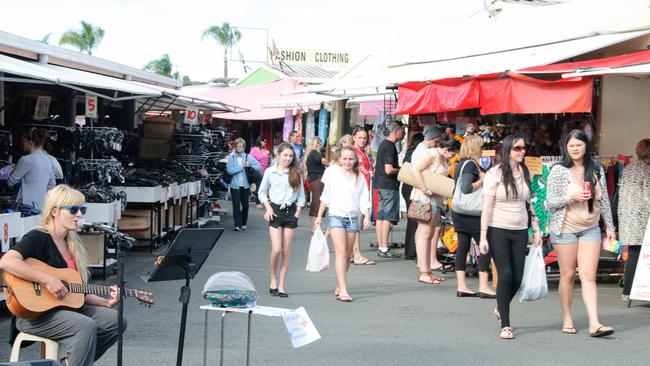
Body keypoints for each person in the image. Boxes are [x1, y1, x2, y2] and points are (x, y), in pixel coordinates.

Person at [0, 185, 123, 366]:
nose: (80, 214)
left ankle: (70, 362)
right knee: (86, 326)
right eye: (73, 209)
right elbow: (7, 262)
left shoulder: (73, 244)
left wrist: (105, 302)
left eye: (82, 209)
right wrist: (47, 279)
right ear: (55, 211)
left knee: (117, 321)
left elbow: (76, 291)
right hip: (36, 314)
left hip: (67, 309)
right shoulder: (38, 237)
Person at [546, 129, 615, 337]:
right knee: (567, 275)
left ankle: (595, 323)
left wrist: (610, 227)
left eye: (579, 145)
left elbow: (603, 202)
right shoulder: (558, 170)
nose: (575, 149)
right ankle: (567, 318)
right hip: (564, 229)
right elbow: (549, 203)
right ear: (566, 148)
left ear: (586, 147)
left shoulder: (596, 169)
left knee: (589, 275)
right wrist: (571, 197)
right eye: (571, 145)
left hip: (590, 228)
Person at [479, 134, 542, 340]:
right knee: (505, 275)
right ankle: (505, 324)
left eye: (524, 147)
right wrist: (483, 237)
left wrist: (536, 227)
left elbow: (530, 202)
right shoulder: (494, 174)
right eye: (517, 148)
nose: (522, 151)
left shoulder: (525, 171)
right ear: (507, 150)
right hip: (498, 228)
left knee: (518, 277)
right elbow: (487, 207)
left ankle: (500, 306)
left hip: (521, 229)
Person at [315, 146, 370, 302]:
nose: (347, 161)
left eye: (351, 159)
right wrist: (319, 215)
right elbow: (325, 196)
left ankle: (340, 283)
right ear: (339, 159)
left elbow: (363, 199)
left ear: (355, 160)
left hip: (352, 218)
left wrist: (366, 215)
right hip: (336, 216)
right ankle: (344, 290)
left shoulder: (359, 176)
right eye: (344, 158)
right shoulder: (332, 171)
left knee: (347, 255)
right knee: (340, 252)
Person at [410, 127, 458, 284]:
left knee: (428, 233)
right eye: (452, 153)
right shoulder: (432, 154)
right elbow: (415, 169)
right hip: (425, 198)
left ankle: (427, 270)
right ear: (445, 149)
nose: (454, 156)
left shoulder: (441, 157)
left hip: (435, 199)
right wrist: (424, 188)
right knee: (425, 233)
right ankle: (424, 271)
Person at [258, 143, 305, 298]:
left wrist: (298, 211)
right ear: (278, 155)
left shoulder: (296, 172)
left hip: (291, 212)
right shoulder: (270, 172)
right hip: (275, 211)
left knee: (286, 251)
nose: (288, 158)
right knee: (277, 249)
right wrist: (268, 208)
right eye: (285, 155)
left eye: (290, 156)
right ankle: (273, 277)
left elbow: (301, 196)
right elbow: (262, 192)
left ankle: (282, 286)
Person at [452, 135, 496, 298]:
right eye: (482, 147)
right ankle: (483, 285)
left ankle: (462, 286)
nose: (483, 150)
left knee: (462, 248)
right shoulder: (470, 165)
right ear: (475, 148)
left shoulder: (460, 164)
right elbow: (466, 188)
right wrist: (482, 180)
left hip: (459, 212)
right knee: (485, 246)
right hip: (473, 214)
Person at [618, 138, 650, 301]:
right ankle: (633, 291)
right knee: (639, 255)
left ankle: (627, 292)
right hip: (641, 218)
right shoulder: (647, 170)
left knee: (633, 254)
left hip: (627, 216)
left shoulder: (629, 168)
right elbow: (648, 196)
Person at [374, 122, 405, 258]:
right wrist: (402, 170)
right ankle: (384, 247)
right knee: (387, 216)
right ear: (397, 131)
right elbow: (389, 169)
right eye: (403, 131)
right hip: (388, 185)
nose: (404, 134)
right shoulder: (390, 146)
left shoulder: (383, 144)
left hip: (380, 184)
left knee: (381, 216)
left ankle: (382, 245)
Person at [8, 127, 56, 211]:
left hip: (25, 207)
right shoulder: (48, 160)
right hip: (41, 206)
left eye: (23, 141)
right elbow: (52, 184)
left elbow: (10, 182)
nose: (22, 144)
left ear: (30, 142)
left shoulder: (26, 159)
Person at [350, 127, 376, 265]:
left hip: (363, 188)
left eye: (364, 138)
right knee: (355, 224)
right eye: (359, 137)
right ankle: (356, 254)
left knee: (354, 224)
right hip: (356, 190)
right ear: (354, 137)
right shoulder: (352, 152)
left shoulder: (363, 152)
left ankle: (353, 253)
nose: (362, 140)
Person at [226, 138, 262, 231]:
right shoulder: (231, 157)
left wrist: (249, 166)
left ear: (244, 147)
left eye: (241, 146)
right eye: (238, 146)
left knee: (245, 205)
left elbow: (258, 166)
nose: (239, 148)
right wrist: (241, 166)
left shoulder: (247, 157)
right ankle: (237, 224)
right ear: (235, 147)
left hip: (245, 185)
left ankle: (244, 222)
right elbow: (229, 171)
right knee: (236, 205)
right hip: (235, 185)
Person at [402, 132, 424, 260]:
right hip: (412, 188)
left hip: (407, 187)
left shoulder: (410, 151)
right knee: (414, 220)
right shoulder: (417, 153)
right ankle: (411, 250)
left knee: (413, 219)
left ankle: (410, 250)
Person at [304, 137, 328, 229]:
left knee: (315, 201)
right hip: (317, 177)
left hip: (314, 177)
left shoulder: (310, 153)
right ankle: (315, 226)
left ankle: (314, 226)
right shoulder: (315, 152)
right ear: (317, 143)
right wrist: (329, 164)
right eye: (320, 143)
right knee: (318, 200)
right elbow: (322, 160)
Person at [250, 136, 271, 208]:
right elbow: (250, 160)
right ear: (259, 141)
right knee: (259, 185)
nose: (264, 143)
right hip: (256, 170)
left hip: (265, 171)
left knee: (263, 186)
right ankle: (258, 202)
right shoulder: (254, 149)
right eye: (263, 141)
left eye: (265, 142)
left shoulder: (265, 150)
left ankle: (263, 201)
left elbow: (267, 161)